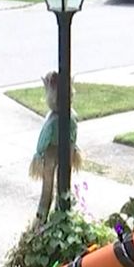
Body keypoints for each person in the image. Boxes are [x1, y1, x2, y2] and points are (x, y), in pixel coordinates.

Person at [29, 70, 83, 222]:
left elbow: (43, 140)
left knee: (50, 188)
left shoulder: (54, 121)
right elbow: (73, 134)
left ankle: (44, 217)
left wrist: (39, 154)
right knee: (59, 184)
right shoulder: (70, 117)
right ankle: (54, 215)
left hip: (52, 153)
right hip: (64, 151)